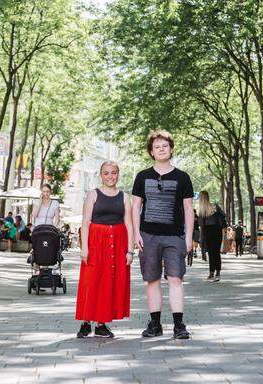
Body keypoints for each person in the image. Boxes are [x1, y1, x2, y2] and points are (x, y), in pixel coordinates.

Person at [132, 130, 194, 340]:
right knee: (152, 280)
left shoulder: (182, 177)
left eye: (165, 146)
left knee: (176, 279)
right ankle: (155, 323)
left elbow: (188, 209)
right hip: (148, 236)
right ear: (151, 151)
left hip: (174, 236)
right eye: (157, 147)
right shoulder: (142, 176)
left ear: (171, 149)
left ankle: (179, 325)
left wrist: (188, 238)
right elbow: (135, 207)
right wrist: (135, 234)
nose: (161, 150)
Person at [75, 161, 133, 338]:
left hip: (117, 243)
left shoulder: (124, 197)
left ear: (118, 174)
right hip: (95, 242)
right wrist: (84, 247)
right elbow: (85, 223)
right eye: (106, 173)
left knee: (109, 282)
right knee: (91, 281)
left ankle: (101, 324)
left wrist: (130, 250)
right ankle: (86, 322)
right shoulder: (93, 195)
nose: (110, 176)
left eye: (113, 173)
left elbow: (129, 223)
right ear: (101, 175)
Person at [198, 191, 225, 282]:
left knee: (211, 253)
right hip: (218, 231)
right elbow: (223, 216)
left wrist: (201, 238)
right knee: (216, 252)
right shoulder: (214, 206)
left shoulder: (202, 210)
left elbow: (201, 224)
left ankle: (211, 274)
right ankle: (218, 273)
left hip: (208, 232)